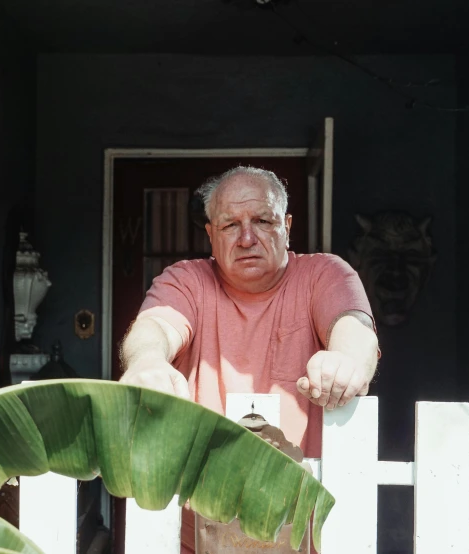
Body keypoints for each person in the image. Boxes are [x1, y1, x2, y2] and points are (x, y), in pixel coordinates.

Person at [119, 165, 380, 551]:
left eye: (262, 220)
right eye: (229, 226)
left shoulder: (324, 274)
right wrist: (145, 361)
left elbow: (354, 327)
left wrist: (345, 359)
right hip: (195, 533)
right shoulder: (187, 280)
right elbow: (155, 326)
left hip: (302, 532)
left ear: (287, 225)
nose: (246, 238)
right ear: (210, 234)